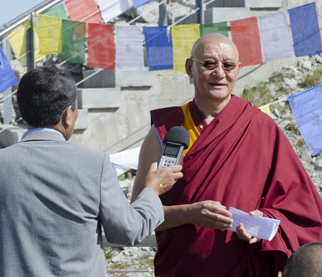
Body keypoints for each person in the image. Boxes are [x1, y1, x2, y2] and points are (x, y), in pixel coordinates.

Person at [0, 66, 183, 277]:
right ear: (68, 114)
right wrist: (152, 190)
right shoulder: (95, 165)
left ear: (23, 113)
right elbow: (129, 231)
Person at [131, 33, 322, 276]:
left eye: (228, 65)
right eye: (209, 64)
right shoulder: (165, 130)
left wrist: (263, 220)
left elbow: (302, 209)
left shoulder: (260, 127)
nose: (219, 73)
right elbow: (137, 215)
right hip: (182, 268)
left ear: (238, 69)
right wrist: (188, 214)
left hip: (244, 266)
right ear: (190, 68)